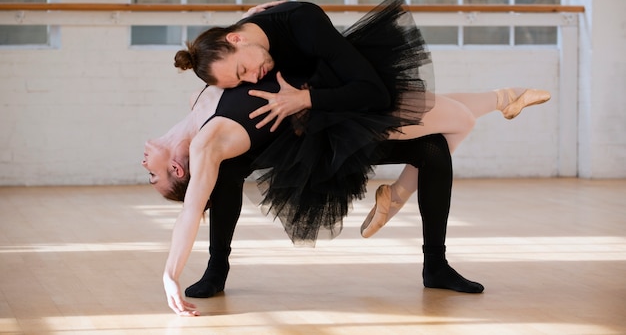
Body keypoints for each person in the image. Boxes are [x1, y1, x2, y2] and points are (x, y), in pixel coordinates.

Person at [173, 0, 550, 243]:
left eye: (242, 72)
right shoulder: (245, 36)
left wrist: (304, 96)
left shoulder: (298, 22)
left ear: (237, 39)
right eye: (239, 82)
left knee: (456, 117)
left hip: (360, 91)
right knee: (459, 118)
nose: (252, 80)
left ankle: (395, 195)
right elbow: (240, 42)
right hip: (328, 105)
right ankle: (505, 98)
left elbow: (374, 92)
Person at [144, 73, 486, 316]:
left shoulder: (197, 100)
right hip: (307, 143)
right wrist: (169, 275)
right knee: (227, 170)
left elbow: (233, 53)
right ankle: (216, 268)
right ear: (177, 169)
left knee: (434, 148)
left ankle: (436, 266)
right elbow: (191, 211)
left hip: (321, 113)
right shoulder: (207, 145)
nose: (146, 167)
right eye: (152, 176)